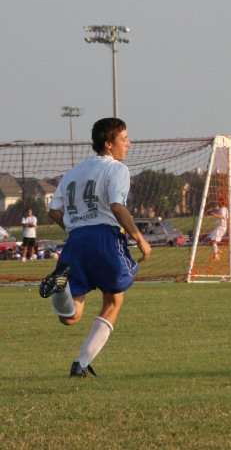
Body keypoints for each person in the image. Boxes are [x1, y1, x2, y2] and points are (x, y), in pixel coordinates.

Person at [39, 117, 151, 378]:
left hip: (75, 240)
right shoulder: (116, 169)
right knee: (114, 299)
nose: (129, 144)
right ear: (108, 143)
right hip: (104, 238)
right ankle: (81, 363)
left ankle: (60, 289)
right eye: (124, 139)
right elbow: (117, 206)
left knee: (71, 317)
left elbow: (53, 210)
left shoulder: (73, 172)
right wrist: (139, 238)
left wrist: (75, 228)